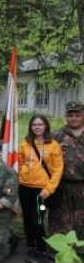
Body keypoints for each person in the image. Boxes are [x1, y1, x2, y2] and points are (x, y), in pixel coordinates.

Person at [18, 114, 64, 263]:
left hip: (42, 191)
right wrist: (22, 175)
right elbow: (21, 161)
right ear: (31, 127)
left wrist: (48, 189)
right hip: (25, 188)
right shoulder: (25, 143)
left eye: (40, 124)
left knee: (37, 219)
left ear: (46, 126)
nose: (37, 127)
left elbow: (58, 170)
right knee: (26, 218)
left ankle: (42, 249)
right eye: (34, 125)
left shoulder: (53, 145)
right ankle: (31, 246)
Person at [50, 101, 84, 249]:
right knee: (59, 218)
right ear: (66, 116)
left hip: (82, 185)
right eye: (70, 115)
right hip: (61, 185)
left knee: (81, 218)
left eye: (77, 115)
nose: (74, 118)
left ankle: (80, 247)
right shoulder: (57, 135)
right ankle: (60, 248)